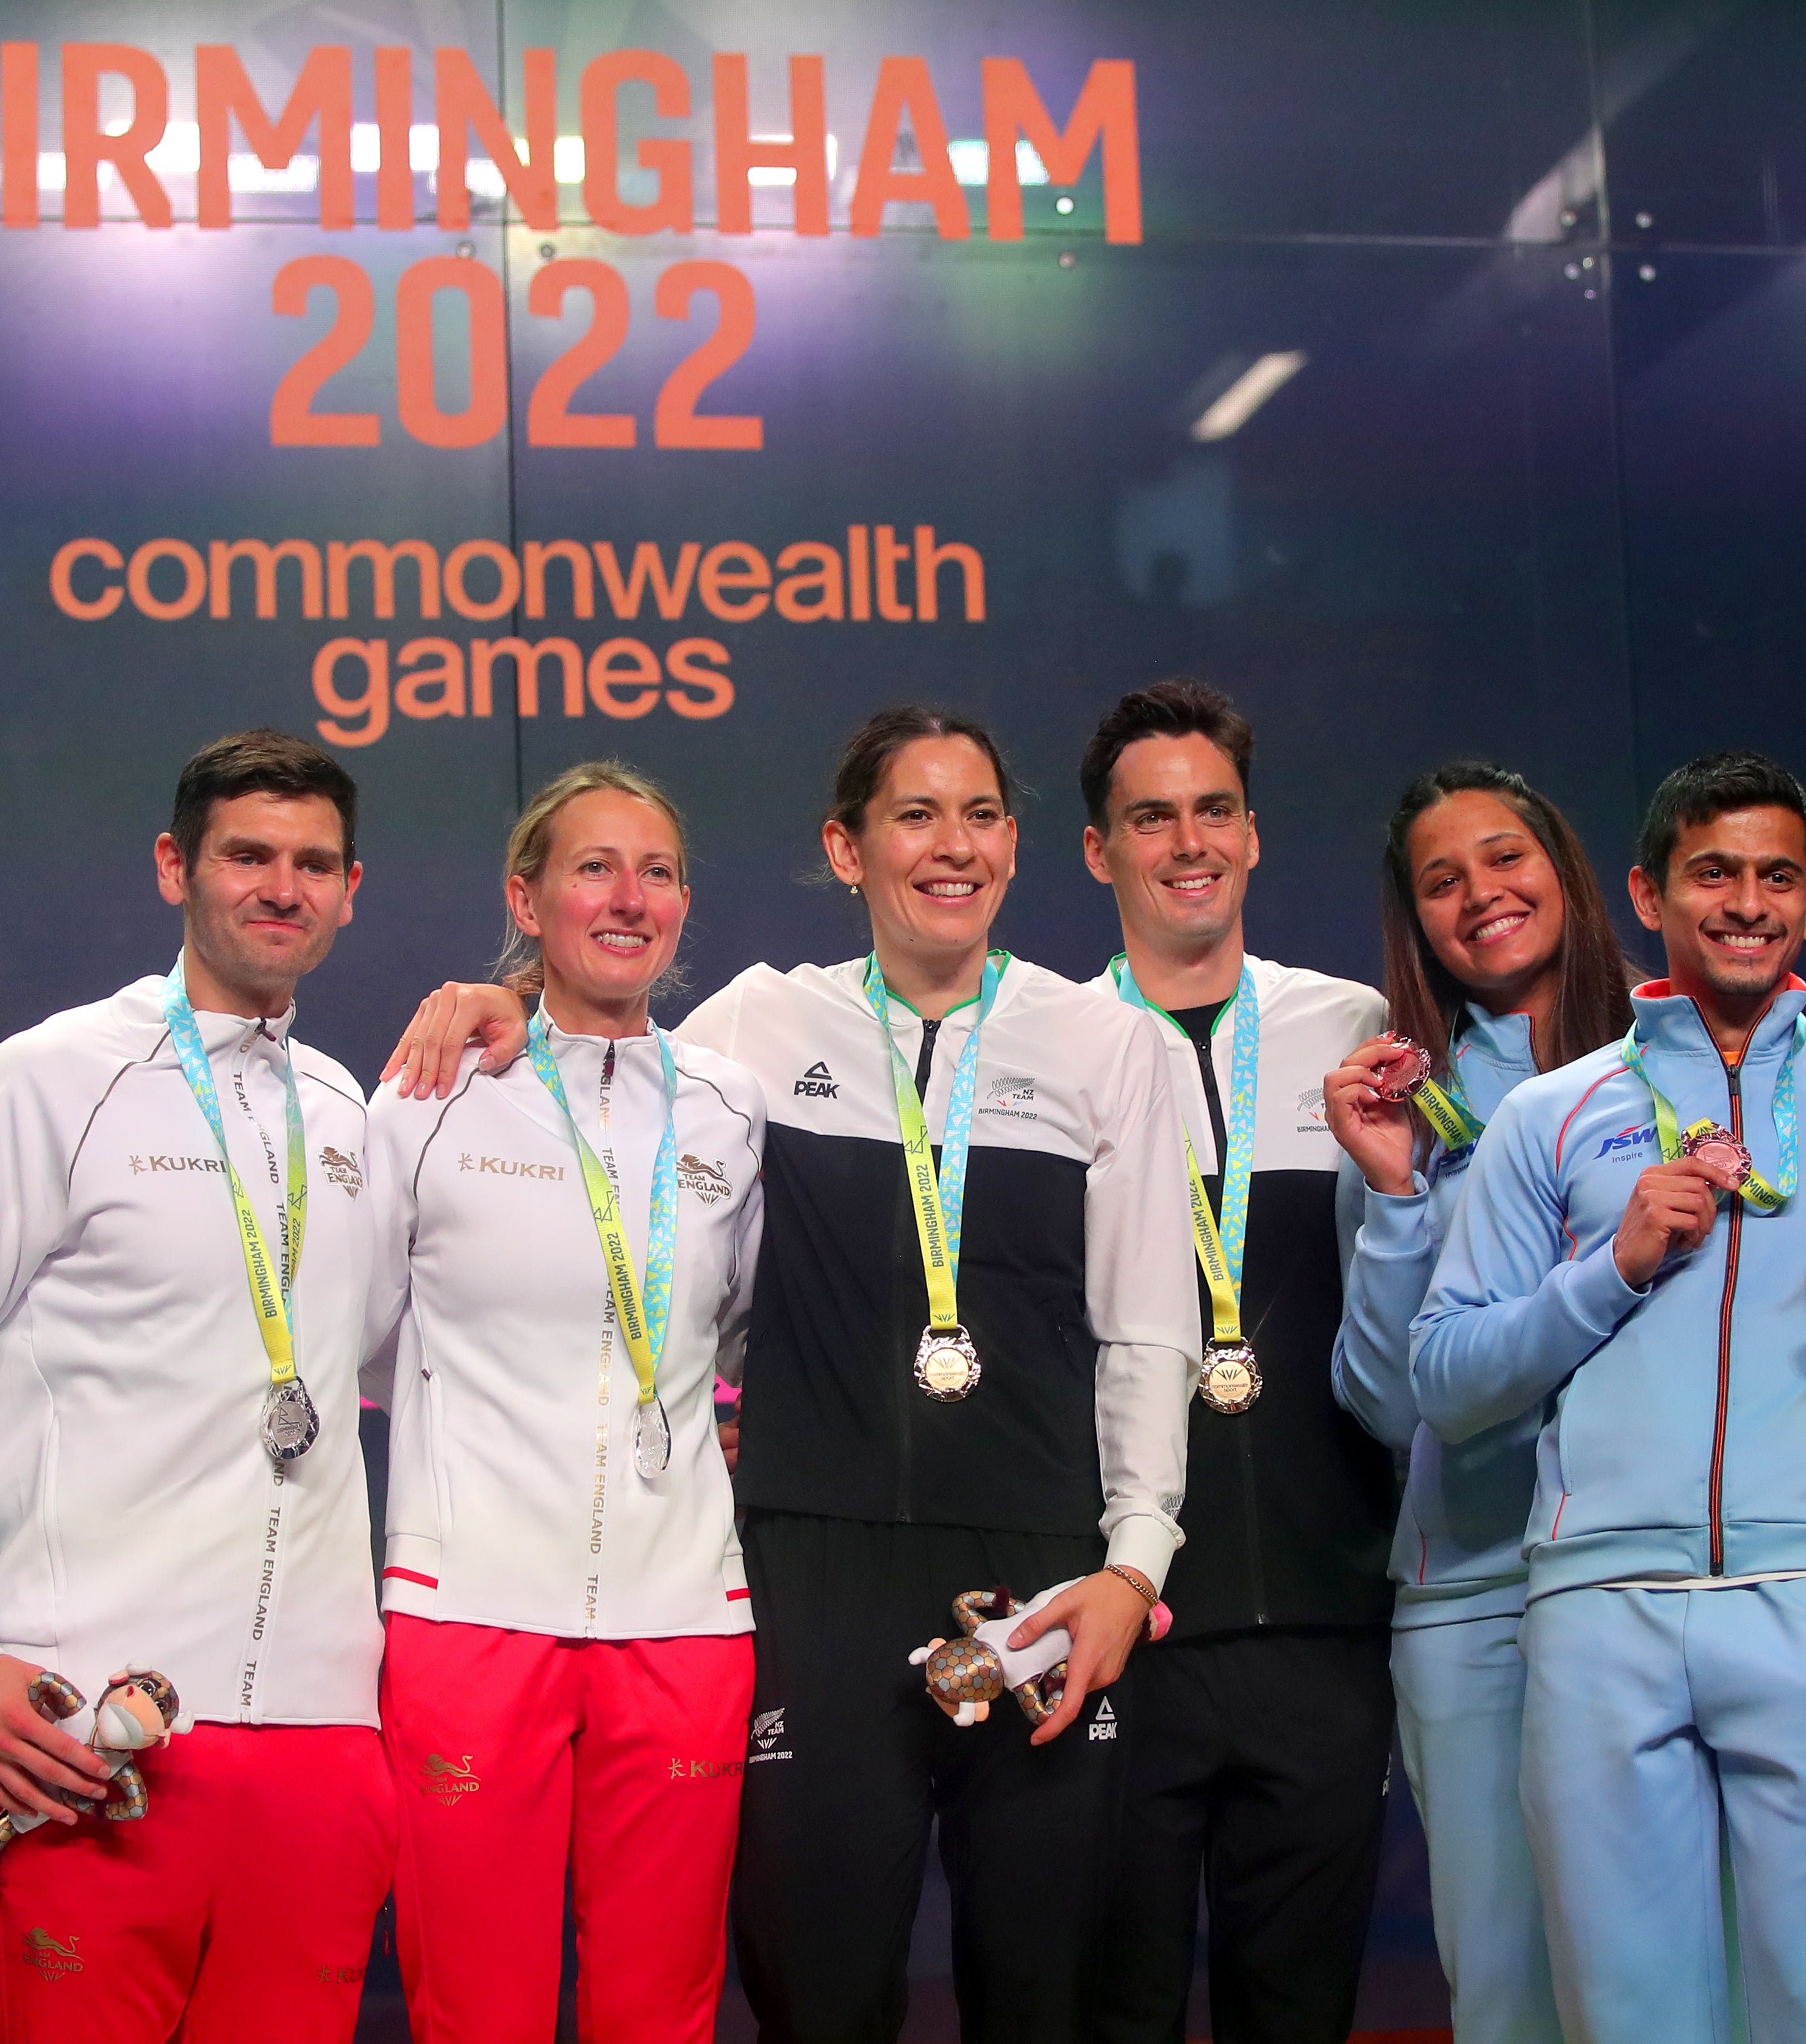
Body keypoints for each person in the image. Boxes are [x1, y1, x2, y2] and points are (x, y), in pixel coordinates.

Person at [381, 706, 1198, 2043]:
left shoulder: (1105, 1043)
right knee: (817, 1993)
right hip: (811, 1576)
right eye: (915, 815)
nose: (953, 846)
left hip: (1043, 1570)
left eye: (981, 814)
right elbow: (615, 1062)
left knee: (1043, 1993)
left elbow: (1148, 1328)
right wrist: (510, 997)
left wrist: (1131, 1563)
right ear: (845, 846)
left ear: (1014, 842)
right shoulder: (759, 1027)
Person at [1411, 751, 1806, 2044]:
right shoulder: (1551, 1114)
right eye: (1711, 870)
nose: (1743, 899)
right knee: (1626, 2018)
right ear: (1648, 891)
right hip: (1598, 1606)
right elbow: (1447, 1372)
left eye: (1775, 876)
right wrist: (1613, 1267)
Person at [0, 730, 396, 2042]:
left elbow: (399, 1371)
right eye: (248, 854)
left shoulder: (346, 1108)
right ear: (174, 866)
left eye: (314, 862)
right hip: (91, 1731)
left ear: (351, 887)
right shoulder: (48, 1079)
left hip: (322, 1734)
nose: (283, 885)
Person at [364, 761, 765, 2043]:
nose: (626, 896)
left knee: (661, 2010)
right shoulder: (432, 1092)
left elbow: (743, 1330)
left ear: (685, 903)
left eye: (653, 872)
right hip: (470, 1611)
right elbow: (360, 1339)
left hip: (683, 1614)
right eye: (593, 866)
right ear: (525, 899)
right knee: (475, 2007)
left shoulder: (730, 1106)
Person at [1071, 681, 1397, 2044]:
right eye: (1150, 817)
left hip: (1324, 1627)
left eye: (1212, 810)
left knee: (1297, 2014)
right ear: (1099, 850)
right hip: (1130, 1631)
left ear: (1253, 835)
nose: (1185, 840)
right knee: (1113, 2014)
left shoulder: (1353, 1027)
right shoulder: (1048, 1050)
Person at [1321, 761, 1642, 2044]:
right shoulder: (1411, 1104)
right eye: (1439, 879)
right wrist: (1398, 1195)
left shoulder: (1680, 1064)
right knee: (1506, 1989)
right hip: (1472, 1589)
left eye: (1504, 857)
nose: (1480, 894)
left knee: (1668, 1975)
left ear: (1562, 867)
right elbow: (1387, 1403)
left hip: (1656, 1573)